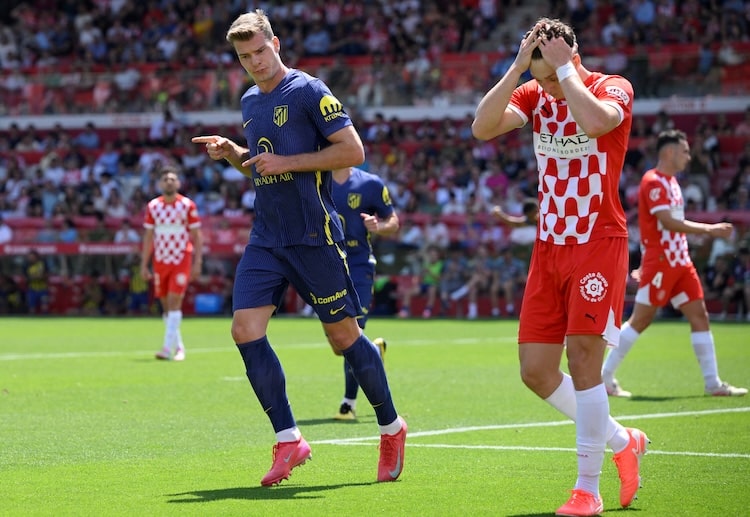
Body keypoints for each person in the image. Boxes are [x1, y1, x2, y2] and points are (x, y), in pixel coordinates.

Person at [190, 9, 406, 487]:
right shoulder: (250, 100)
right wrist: (234, 154)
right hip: (267, 237)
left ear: (276, 44)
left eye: (259, 51)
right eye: (244, 57)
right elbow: (263, 165)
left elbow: (352, 151)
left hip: (314, 235)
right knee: (244, 330)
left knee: (344, 338)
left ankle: (391, 427)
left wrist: (288, 161)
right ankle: (289, 439)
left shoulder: (310, 90)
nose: (254, 62)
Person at [473, 17, 648, 516]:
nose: (547, 86)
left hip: (598, 240)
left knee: (583, 360)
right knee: (535, 371)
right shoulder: (534, 94)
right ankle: (623, 441)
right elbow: (482, 127)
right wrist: (517, 69)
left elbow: (596, 123)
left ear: (574, 58)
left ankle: (587, 488)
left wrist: (563, 72)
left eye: (552, 76)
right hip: (549, 244)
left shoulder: (612, 87)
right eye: (541, 78)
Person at [602, 130, 747, 399]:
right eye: (685, 151)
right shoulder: (653, 181)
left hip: (680, 261)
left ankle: (713, 383)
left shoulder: (672, 182)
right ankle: (604, 377)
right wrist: (710, 230)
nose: (688, 157)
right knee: (640, 320)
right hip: (661, 262)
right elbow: (667, 222)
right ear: (669, 152)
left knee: (699, 316)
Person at [328, 166, 400, 420]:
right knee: (339, 345)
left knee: (351, 334)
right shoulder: (314, 177)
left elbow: (393, 222)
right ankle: (374, 351)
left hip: (358, 265)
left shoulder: (370, 184)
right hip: (325, 267)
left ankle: (348, 403)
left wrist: (378, 226)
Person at [140, 166, 203, 362]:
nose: (169, 182)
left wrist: (197, 262)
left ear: (178, 183)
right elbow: (148, 237)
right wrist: (144, 264)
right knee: (166, 306)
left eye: (172, 179)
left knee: (175, 301)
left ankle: (166, 348)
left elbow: (196, 236)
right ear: (160, 184)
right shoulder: (153, 206)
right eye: (165, 179)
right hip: (161, 259)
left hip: (181, 257)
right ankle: (179, 347)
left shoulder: (187, 205)